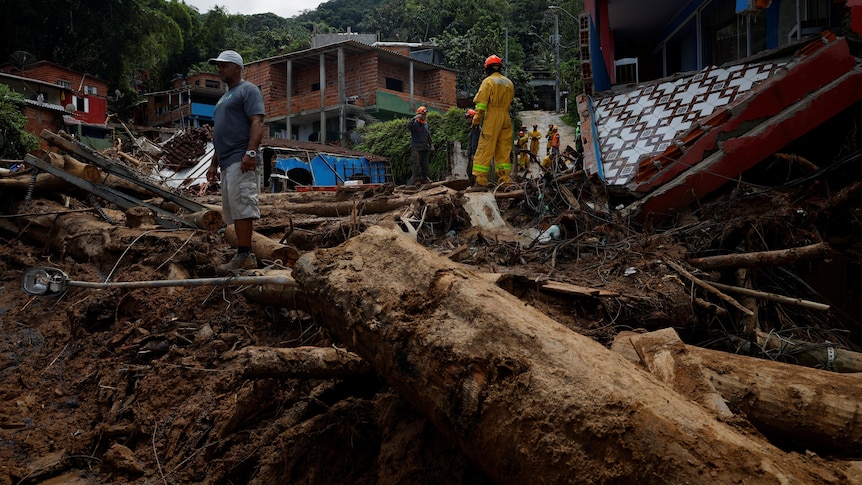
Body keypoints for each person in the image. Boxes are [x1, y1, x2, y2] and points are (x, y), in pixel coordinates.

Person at [205, 50, 265, 274]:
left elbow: (257, 121)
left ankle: (245, 255)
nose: (219, 69)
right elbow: (220, 133)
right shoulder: (223, 98)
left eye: (224, 65)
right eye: (218, 65)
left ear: (237, 67)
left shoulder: (248, 90)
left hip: (241, 157)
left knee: (243, 207)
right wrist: (213, 163)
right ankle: (242, 253)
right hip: (226, 160)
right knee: (233, 210)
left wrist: (250, 153)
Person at [471, 54, 515, 186]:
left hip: (493, 117)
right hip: (506, 118)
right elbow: (511, 102)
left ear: (487, 69)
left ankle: (480, 179)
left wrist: (476, 121)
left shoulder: (488, 82)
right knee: (504, 148)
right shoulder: (509, 83)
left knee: (486, 146)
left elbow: (481, 105)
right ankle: (505, 179)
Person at [406, 105, 432, 185]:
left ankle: (424, 178)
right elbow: (408, 126)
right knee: (416, 165)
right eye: (422, 115)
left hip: (425, 147)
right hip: (416, 148)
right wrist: (414, 118)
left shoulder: (425, 124)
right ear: (419, 114)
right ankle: (415, 179)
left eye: (425, 115)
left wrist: (431, 144)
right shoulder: (415, 123)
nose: (424, 116)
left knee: (425, 165)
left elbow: (428, 135)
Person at [464, 108, 479, 184]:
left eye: (469, 118)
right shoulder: (473, 128)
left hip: (475, 154)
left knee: (471, 172)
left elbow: (475, 142)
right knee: (469, 171)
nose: (468, 120)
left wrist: (473, 153)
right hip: (472, 154)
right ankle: (473, 185)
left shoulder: (476, 129)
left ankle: (475, 186)